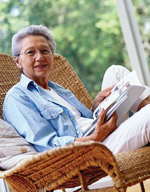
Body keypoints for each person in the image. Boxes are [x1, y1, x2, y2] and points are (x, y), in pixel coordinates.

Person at [3, 25, 150, 154]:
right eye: (30, 52)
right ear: (17, 61)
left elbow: (79, 122)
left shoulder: (56, 89)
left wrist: (96, 108)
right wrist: (93, 138)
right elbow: (47, 146)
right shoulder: (17, 97)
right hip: (90, 151)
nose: (40, 57)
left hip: (100, 132)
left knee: (116, 71)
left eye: (44, 50)